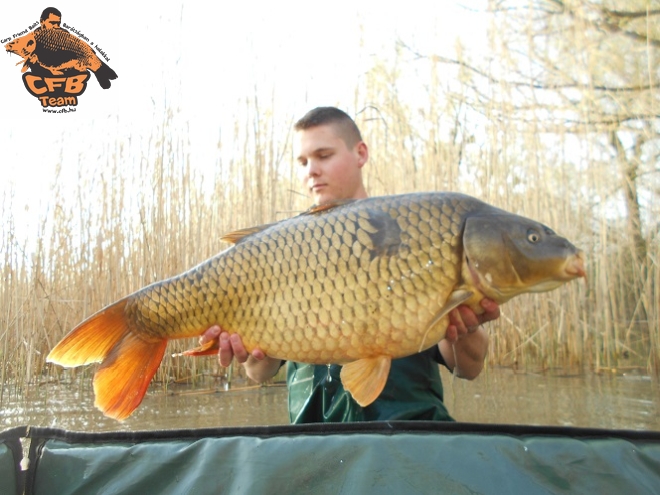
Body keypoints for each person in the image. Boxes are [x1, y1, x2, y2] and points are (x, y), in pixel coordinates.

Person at [201, 106, 500, 422]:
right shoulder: (283, 251)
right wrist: (245, 350)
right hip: (315, 447)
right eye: (303, 162)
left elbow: (468, 368)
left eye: (324, 155)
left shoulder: (415, 230)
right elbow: (259, 373)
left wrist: (465, 328)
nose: (311, 170)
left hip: (413, 441)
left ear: (360, 153)